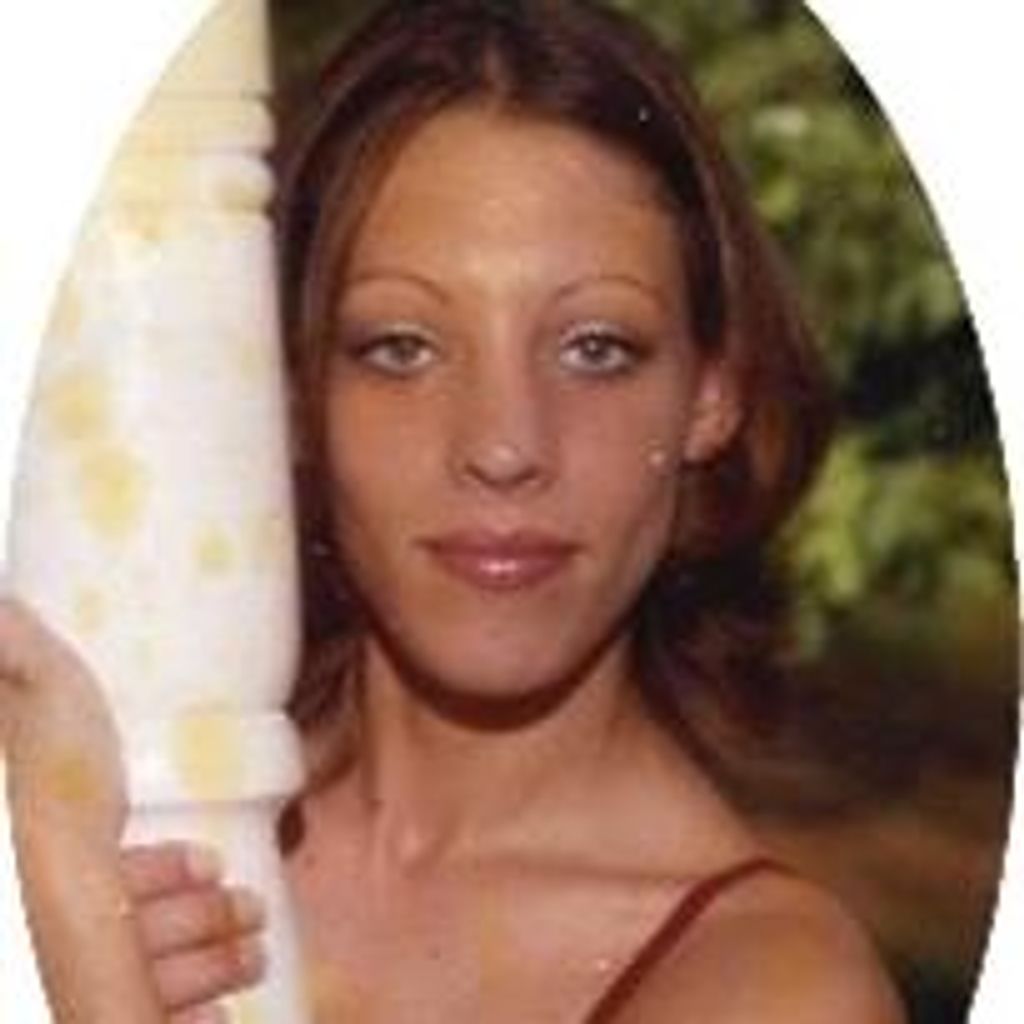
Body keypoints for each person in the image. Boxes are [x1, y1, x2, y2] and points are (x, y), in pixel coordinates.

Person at [0, 0, 906, 1020]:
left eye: (596, 347)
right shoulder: (120, 796)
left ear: (711, 394)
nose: (504, 446)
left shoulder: (774, 988)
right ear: (285, 391)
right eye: (401, 347)